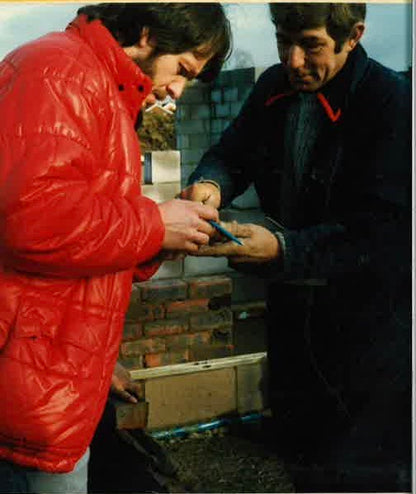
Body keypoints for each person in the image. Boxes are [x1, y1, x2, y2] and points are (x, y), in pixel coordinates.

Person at [180, 3, 411, 491]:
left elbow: (385, 232)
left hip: (368, 331)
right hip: (290, 319)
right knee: (300, 458)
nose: (293, 60)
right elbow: (230, 152)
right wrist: (211, 185)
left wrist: (284, 250)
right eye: (283, 41)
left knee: (359, 472)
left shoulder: (392, 102)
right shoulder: (272, 89)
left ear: (354, 37)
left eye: (311, 45)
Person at [0, 3, 230, 493]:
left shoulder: (93, 85)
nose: (176, 90)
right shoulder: (61, 73)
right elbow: (32, 222)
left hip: (49, 375)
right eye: (182, 70)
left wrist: (162, 241)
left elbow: (77, 238)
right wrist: (153, 226)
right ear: (147, 32)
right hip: (31, 391)